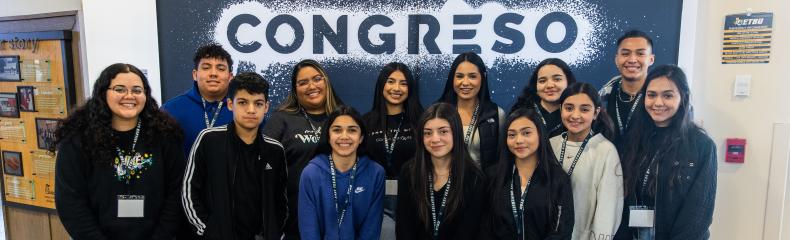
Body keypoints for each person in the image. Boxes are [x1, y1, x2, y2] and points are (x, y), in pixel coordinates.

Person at [54, 63, 184, 239]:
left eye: (137, 90)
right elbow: (70, 202)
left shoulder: (165, 136)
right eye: (120, 89)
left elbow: (176, 193)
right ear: (103, 93)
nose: (129, 96)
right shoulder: (77, 141)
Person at [181, 72, 287, 239]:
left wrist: (276, 233)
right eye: (243, 102)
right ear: (230, 104)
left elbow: (281, 201)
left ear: (266, 107)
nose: (251, 110)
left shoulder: (275, 150)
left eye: (258, 103)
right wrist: (208, 231)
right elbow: (189, 191)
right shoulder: (208, 139)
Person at [615, 65, 716, 240]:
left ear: (682, 98)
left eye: (667, 95)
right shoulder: (634, 140)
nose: (658, 103)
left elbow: (698, 212)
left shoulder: (701, 145)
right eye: (651, 95)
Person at [263, 59, 344, 239]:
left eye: (317, 79)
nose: (311, 86)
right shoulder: (281, 119)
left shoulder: (344, 118)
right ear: (295, 89)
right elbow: (264, 168)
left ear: (326, 82)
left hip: (338, 218)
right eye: (303, 82)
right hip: (293, 219)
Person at [396, 102, 486, 240]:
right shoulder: (409, 172)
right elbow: (404, 227)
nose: (435, 139)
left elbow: (469, 231)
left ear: (456, 133)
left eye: (443, 131)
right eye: (427, 133)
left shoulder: (474, 177)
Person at [481, 108, 574, 240]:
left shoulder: (558, 179)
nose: (519, 140)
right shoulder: (493, 176)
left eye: (526, 133)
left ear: (540, 134)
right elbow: (485, 227)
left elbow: (561, 231)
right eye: (512, 135)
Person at [299, 106, 385, 239]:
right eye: (337, 130)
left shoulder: (375, 173)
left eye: (352, 130)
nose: (344, 136)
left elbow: (371, 230)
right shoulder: (311, 173)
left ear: (361, 137)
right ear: (328, 136)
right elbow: (309, 229)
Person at [550, 82, 622, 240]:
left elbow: (608, 208)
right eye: (569, 108)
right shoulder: (550, 145)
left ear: (596, 113)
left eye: (584, 109)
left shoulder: (605, 150)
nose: (575, 115)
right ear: (561, 109)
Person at [363, 62, 424, 239]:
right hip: (375, 199)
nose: (396, 88)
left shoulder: (421, 120)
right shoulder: (366, 122)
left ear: (410, 88)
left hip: (413, 197)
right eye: (391, 82)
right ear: (382, 85)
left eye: (403, 83)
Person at [162, 43, 235, 156]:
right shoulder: (171, 110)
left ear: (230, 77)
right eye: (206, 68)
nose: (213, 74)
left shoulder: (242, 109)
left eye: (220, 68)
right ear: (195, 75)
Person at [438, 52, 505, 169]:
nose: (465, 82)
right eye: (459, 76)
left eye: (472, 76)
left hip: (483, 185)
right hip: (446, 184)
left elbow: (501, 160)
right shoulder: (437, 112)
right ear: (452, 78)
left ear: (482, 79)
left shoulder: (496, 114)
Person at [598, 30, 655, 140]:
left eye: (640, 54)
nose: (632, 60)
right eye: (625, 54)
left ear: (651, 59)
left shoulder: (662, 96)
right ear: (616, 59)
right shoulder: (604, 95)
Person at [511, 58, 578, 137]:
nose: (549, 85)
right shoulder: (520, 113)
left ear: (568, 82)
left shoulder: (581, 114)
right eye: (542, 81)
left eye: (557, 79)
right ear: (535, 85)